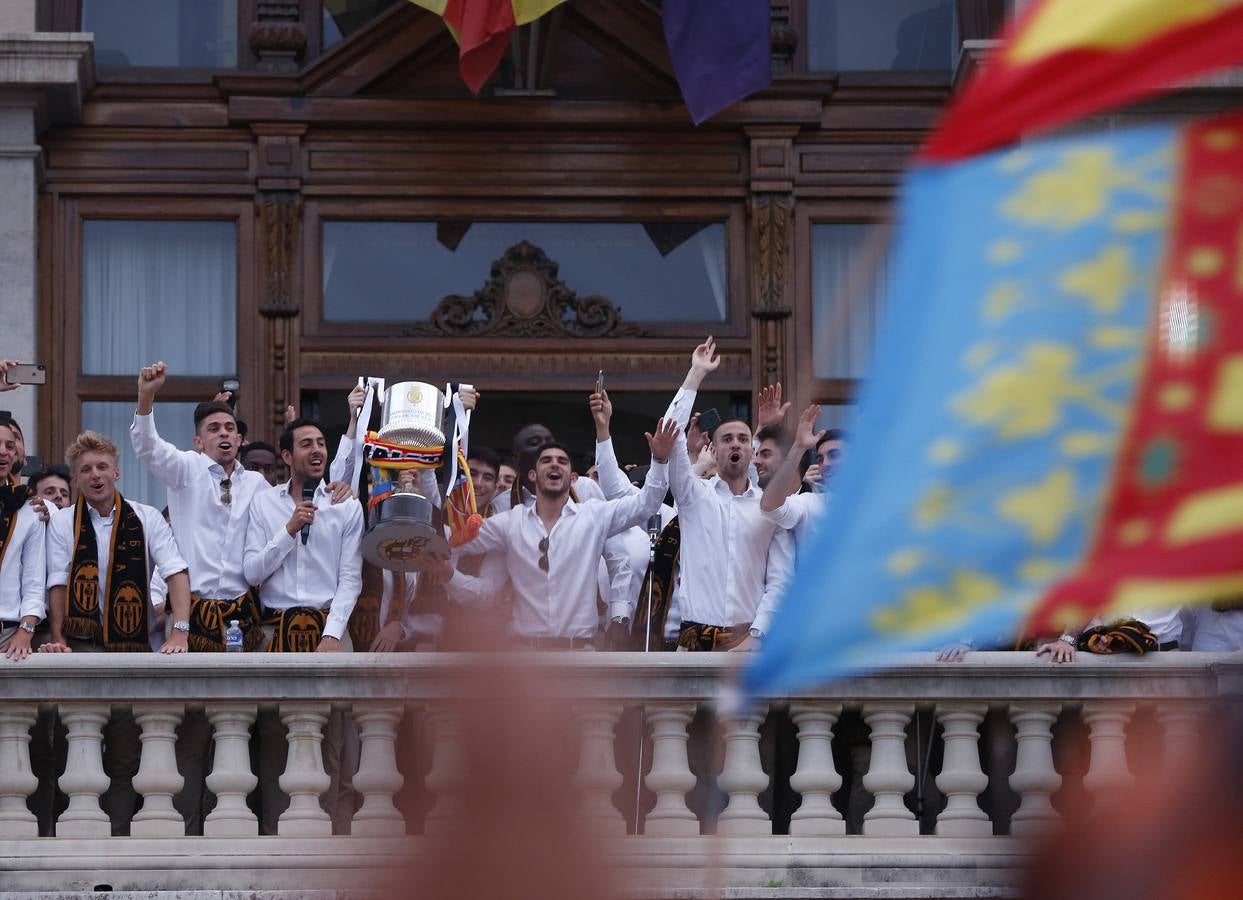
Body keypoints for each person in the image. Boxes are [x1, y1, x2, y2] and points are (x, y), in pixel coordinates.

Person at [39, 431, 192, 834]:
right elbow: (57, 582)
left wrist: (180, 633)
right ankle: (78, 836)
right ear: (76, 479)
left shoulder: (145, 517)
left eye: (102, 467)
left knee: (126, 749)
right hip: (83, 644)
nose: (95, 475)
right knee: (79, 745)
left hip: (132, 645)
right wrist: (58, 638)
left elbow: (176, 573)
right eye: (85, 470)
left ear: (117, 472)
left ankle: (120, 832)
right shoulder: (61, 523)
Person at [440, 422, 678, 649]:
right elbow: (456, 540)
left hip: (580, 657)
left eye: (562, 461)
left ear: (572, 477)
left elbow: (646, 505)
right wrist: (433, 558)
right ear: (532, 475)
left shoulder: (593, 516)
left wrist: (659, 460)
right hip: (525, 658)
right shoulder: (510, 522)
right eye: (546, 460)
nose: (554, 464)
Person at [243, 417, 363, 834]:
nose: (316, 450)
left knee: (335, 743)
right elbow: (253, 571)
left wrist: (332, 635)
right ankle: (277, 837)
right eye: (306, 444)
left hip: (330, 628)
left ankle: (333, 839)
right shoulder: (264, 505)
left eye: (321, 443)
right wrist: (289, 529)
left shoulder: (346, 503)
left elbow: (351, 578)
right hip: (277, 630)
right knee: (277, 740)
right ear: (286, 455)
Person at [663, 338, 794, 652]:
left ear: (752, 450)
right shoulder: (694, 496)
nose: (735, 444)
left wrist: (756, 636)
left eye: (742, 439)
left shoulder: (770, 508)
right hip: (694, 647)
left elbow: (780, 581)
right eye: (726, 439)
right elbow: (670, 434)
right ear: (714, 449)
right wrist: (695, 374)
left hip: (749, 647)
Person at [0, 418, 44, 661]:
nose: (3, 452)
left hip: (9, 635)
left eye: (9, 446)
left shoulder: (31, 510)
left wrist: (26, 630)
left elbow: (34, 581)